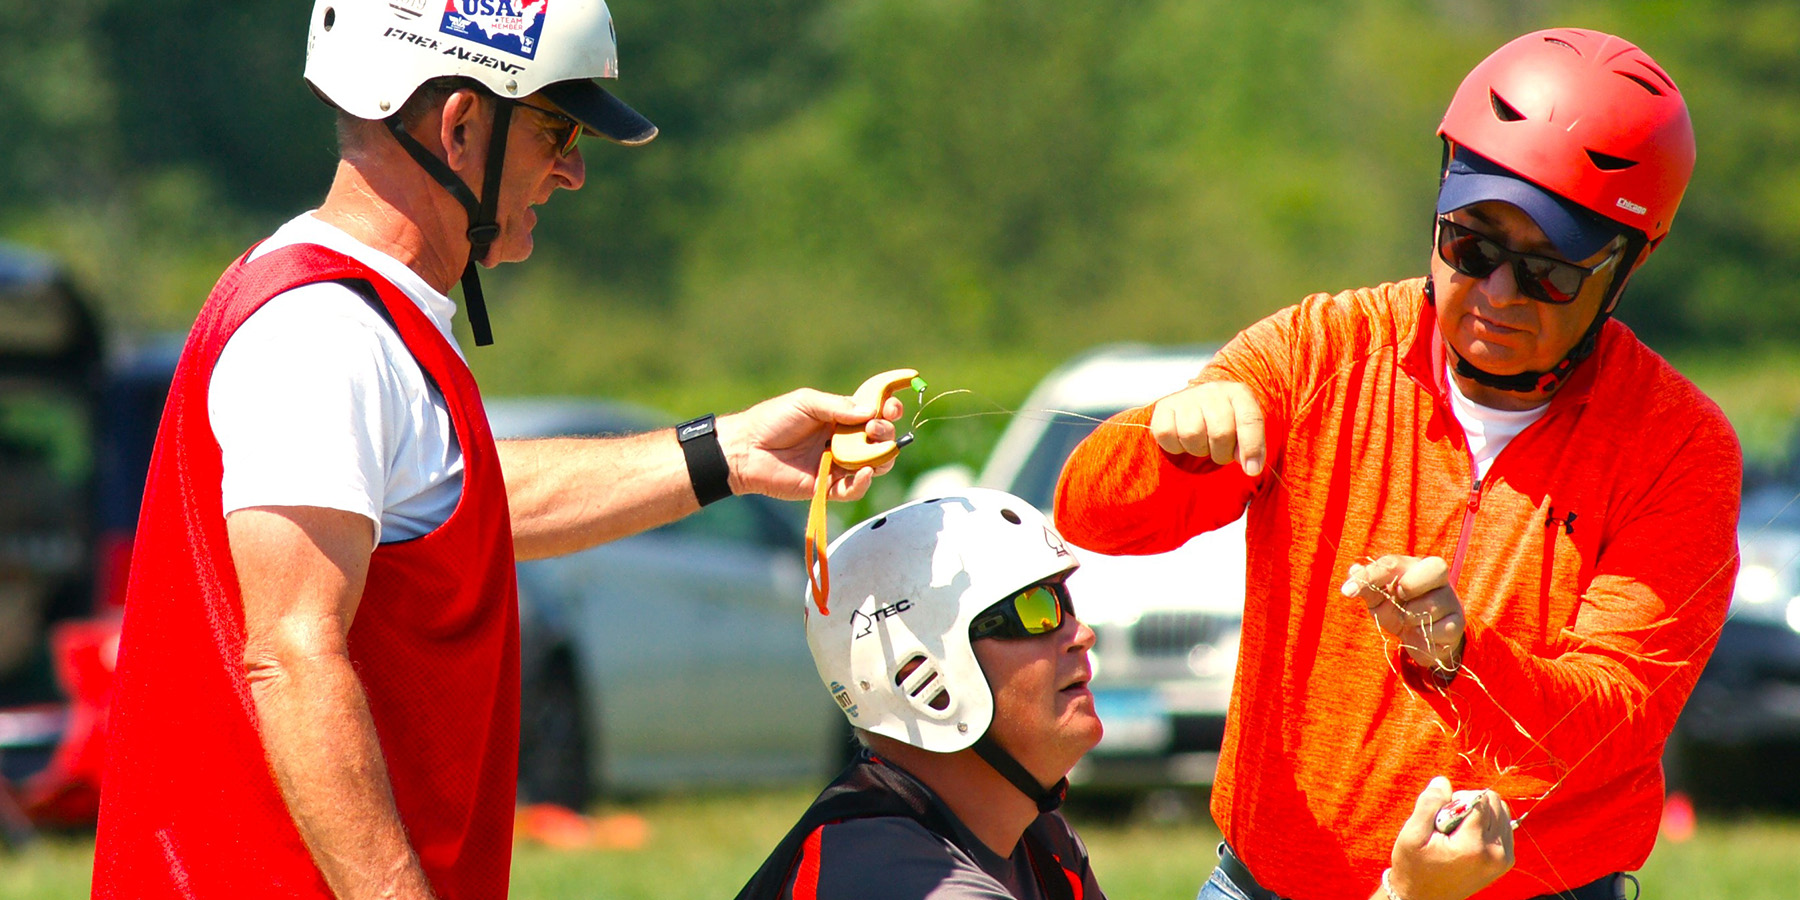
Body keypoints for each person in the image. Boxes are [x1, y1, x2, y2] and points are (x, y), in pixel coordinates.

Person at [90, 1, 901, 897]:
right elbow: (290, 655)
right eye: (557, 129)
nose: (575, 172)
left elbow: (457, 504)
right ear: (461, 124)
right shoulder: (321, 331)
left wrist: (732, 452)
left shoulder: (360, 315)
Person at [1054, 28, 1740, 900]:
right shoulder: (1318, 350)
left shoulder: (1677, 444)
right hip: (1269, 884)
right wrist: (1163, 440)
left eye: (1547, 272)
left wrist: (1460, 655)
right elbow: (1090, 516)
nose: (1496, 294)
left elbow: (1616, 720)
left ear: (1628, 265)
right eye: (1472, 245)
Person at [738, 490, 1515, 900]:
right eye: (1035, 612)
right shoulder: (892, 878)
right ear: (919, 671)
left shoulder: (1032, 840)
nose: (1078, 634)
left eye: (1068, 605)